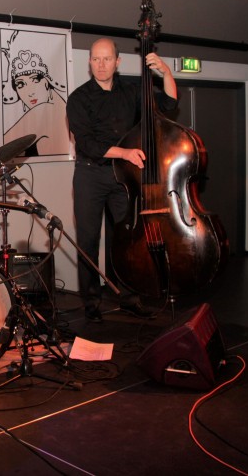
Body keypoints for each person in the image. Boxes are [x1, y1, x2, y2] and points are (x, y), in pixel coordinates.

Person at [67, 38, 178, 322]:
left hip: (123, 176)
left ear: (117, 62)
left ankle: (129, 299)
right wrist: (125, 152)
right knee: (88, 241)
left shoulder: (131, 92)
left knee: (126, 240)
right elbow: (87, 144)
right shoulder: (78, 98)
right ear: (89, 62)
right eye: (95, 59)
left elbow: (168, 103)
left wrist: (166, 72)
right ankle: (91, 305)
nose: (101, 64)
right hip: (90, 174)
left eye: (107, 59)